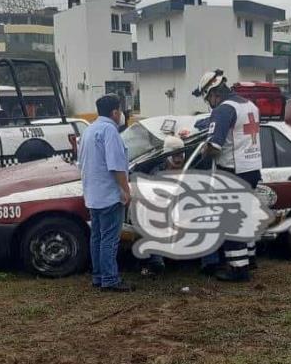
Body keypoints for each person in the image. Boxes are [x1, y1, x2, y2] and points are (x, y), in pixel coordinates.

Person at [192, 69, 262, 282]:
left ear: (214, 94)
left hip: (233, 171)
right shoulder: (249, 105)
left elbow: (214, 146)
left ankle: (238, 269)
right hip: (252, 169)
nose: (209, 103)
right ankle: (250, 259)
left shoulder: (223, 110)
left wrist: (202, 153)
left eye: (208, 99)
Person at [78, 94, 133, 292]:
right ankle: (110, 279)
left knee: (97, 238)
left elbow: (81, 162)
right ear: (115, 112)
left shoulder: (89, 130)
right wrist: (126, 190)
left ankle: (98, 276)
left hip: (92, 194)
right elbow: (116, 165)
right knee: (109, 239)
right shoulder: (110, 131)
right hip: (109, 194)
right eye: (120, 111)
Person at [141, 135, 186, 276]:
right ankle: (156, 262)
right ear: (167, 156)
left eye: (180, 155)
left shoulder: (190, 168)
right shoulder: (157, 173)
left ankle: (210, 264)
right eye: (175, 155)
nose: (178, 159)